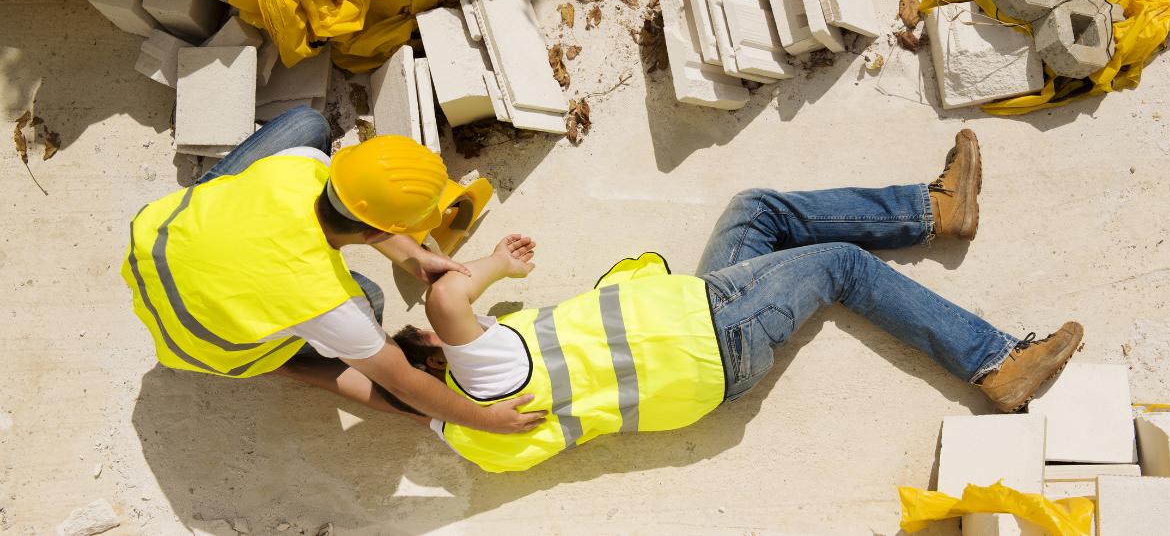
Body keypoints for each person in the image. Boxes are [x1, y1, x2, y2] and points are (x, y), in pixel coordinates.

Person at [365, 129, 1084, 472]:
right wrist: (494, 262)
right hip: (713, 330)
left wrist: (317, 369)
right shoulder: (484, 370)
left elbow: (384, 394)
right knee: (839, 264)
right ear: (438, 360)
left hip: (703, 347)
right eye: (431, 343)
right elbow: (449, 300)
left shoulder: (466, 438)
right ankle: (995, 363)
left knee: (756, 211)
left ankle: (936, 210)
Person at [120, 106, 545, 435]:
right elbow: (403, 385)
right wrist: (485, 420)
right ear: (380, 233)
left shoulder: (300, 165)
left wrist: (413, 256)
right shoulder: (333, 304)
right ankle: (275, 361)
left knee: (307, 124)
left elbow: (357, 212)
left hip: (155, 245)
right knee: (372, 301)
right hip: (200, 343)